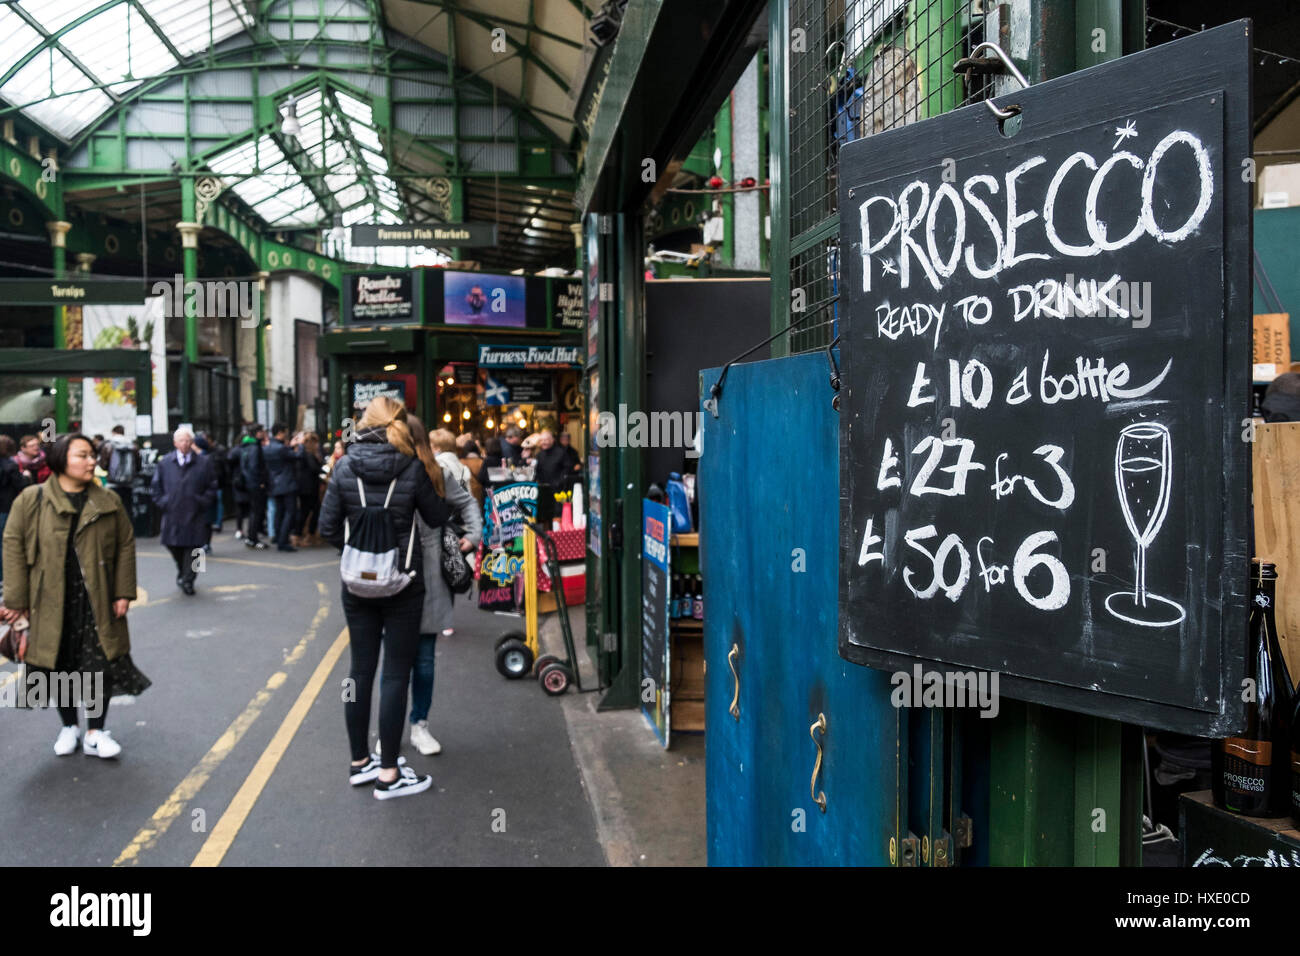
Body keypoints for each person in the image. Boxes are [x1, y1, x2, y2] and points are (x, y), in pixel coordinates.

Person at [317, 395, 451, 799]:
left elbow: (326, 528)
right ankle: (389, 774)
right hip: (403, 585)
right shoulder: (412, 467)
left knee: (360, 671)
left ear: (364, 422)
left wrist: (357, 551)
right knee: (395, 673)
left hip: (356, 586)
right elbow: (435, 518)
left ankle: (360, 763)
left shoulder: (343, 466)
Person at [1, 433, 149, 758]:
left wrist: (123, 590)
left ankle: (96, 730)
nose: (91, 461)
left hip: (97, 600)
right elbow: (12, 544)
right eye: (82, 455)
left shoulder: (109, 500)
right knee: (59, 663)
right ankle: (69, 726)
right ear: (60, 460)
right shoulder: (32, 499)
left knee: (99, 665)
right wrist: (15, 599)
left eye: (93, 455)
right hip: (48, 601)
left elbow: (126, 544)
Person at [401, 422, 482, 756]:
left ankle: (419, 724)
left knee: (422, 658)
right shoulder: (381, 469)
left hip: (430, 572)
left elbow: (467, 503)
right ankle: (392, 731)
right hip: (391, 577)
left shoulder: (435, 472)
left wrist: (473, 536)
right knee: (395, 663)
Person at [150, 426, 217, 596]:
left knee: (197, 550)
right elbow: (156, 487)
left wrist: (202, 501)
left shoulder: (204, 462)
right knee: (173, 545)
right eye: (181, 440)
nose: (185, 444)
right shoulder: (165, 462)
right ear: (174, 443)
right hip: (173, 513)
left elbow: (212, 486)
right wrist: (164, 502)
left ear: (192, 442)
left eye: (188, 440)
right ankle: (182, 571)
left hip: (196, 512)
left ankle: (190, 580)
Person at [263, 423, 302, 552]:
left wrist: (290, 446)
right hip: (287, 483)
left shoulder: (268, 448)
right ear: (280, 432)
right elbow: (297, 456)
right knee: (290, 512)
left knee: (279, 512)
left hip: (274, 483)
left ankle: (278, 536)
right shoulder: (281, 448)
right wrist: (300, 444)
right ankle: (283, 541)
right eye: (285, 431)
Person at [0, 435, 29, 587]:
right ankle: (3, 578)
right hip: (5, 509)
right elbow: (21, 486)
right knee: (5, 544)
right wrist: (26, 477)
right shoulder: (10, 466)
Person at [239, 424, 270, 550]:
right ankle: (253, 538)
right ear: (257, 433)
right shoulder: (255, 447)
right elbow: (255, 467)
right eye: (262, 431)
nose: (264, 433)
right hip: (255, 484)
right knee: (257, 512)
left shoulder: (245, 446)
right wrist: (261, 482)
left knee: (254, 511)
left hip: (249, 483)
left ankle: (251, 537)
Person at [98, 425, 139, 514]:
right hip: (128, 484)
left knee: (113, 510)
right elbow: (138, 466)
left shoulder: (108, 446)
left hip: (112, 483)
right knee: (127, 510)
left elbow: (103, 466)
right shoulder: (133, 446)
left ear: (113, 433)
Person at [295, 431, 323, 546]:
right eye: (316, 442)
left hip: (306, 487)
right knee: (307, 512)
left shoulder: (304, 453)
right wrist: (322, 469)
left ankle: (303, 535)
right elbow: (314, 469)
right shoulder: (309, 454)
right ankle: (301, 535)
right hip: (309, 488)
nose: (318, 445)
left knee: (308, 511)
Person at [533, 429, 575, 495]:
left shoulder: (561, 452)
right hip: (542, 489)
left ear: (552, 440)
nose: (543, 442)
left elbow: (568, 469)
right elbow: (537, 471)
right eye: (541, 440)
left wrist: (559, 482)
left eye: (546, 440)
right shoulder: (539, 454)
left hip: (558, 490)